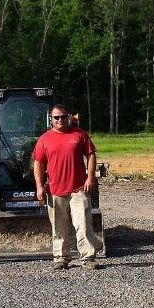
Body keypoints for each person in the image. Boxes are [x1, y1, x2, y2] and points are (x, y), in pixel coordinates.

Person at [32, 104, 100, 270]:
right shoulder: (44, 139)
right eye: (56, 117)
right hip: (55, 191)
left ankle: (88, 257)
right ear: (51, 119)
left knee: (83, 225)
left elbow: (91, 155)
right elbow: (38, 163)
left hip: (78, 189)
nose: (60, 120)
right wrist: (39, 187)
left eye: (63, 117)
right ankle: (61, 257)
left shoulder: (80, 135)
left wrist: (90, 177)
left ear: (68, 117)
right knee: (58, 227)